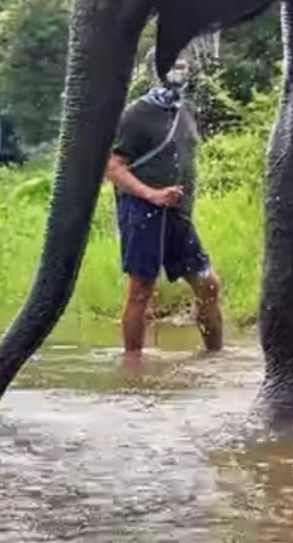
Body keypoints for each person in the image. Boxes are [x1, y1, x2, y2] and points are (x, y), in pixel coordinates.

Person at [104, 50, 223, 358]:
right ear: (155, 71)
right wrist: (151, 194)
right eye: (172, 66)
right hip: (143, 210)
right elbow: (113, 167)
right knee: (142, 289)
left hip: (178, 213)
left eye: (184, 66)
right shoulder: (136, 113)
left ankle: (215, 357)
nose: (179, 72)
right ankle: (133, 366)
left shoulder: (185, 110)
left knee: (208, 284)